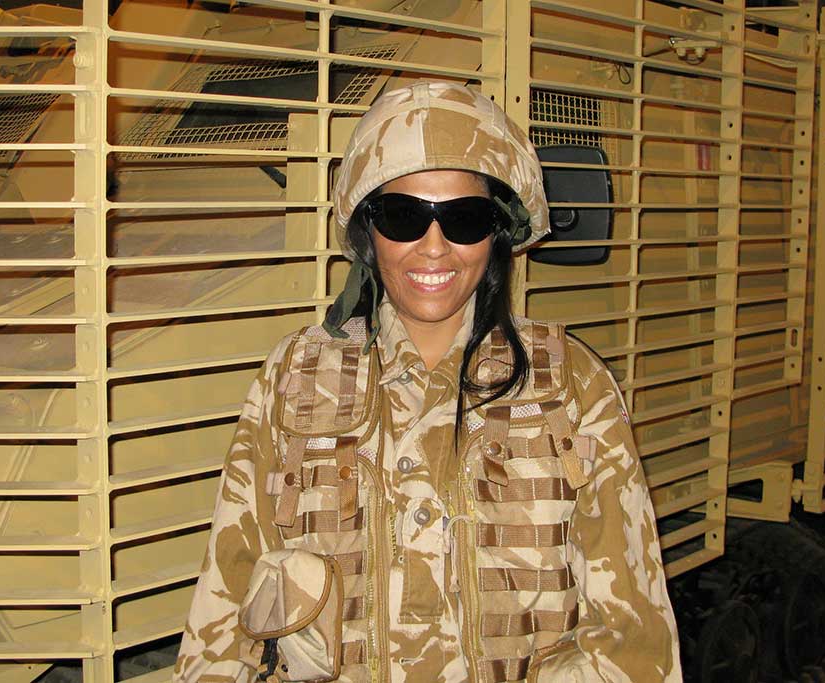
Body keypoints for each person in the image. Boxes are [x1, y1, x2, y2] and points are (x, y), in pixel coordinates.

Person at [174, 81, 682, 683]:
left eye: (465, 219)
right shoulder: (294, 379)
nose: (434, 247)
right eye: (404, 216)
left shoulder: (572, 384)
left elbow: (633, 639)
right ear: (369, 232)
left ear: (497, 234)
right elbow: (225, 606)